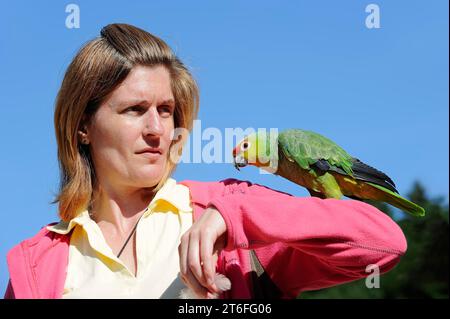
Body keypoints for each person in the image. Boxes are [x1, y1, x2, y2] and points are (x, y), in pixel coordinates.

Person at [4, 23, 407, 299]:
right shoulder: (37, 265)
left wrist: (239, 217)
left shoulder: (228, 218)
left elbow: (384, 244)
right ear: (83, 127)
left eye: (165, 110)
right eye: (133, 110)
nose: (156, 129)